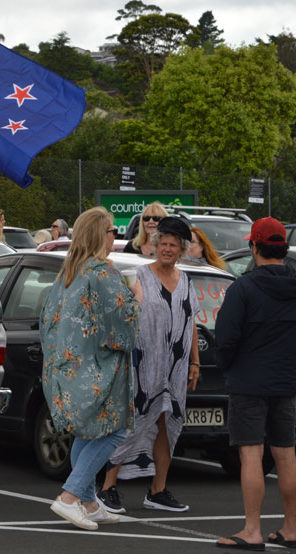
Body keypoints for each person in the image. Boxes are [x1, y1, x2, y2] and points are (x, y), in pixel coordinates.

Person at [214, 217, 296, 551]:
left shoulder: (243, 287)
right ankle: (290, 528)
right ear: (283, 247)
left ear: (254, 247)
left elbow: (225, 338)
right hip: (285, 380)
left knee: (252, 456)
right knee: (286, 455)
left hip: (248, 381)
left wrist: (228, 366)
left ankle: (252, 530)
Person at [41, 207, 142, 530]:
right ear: (101, 234)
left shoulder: (69, 272)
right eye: (113, 230)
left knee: (88, 433)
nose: (117, 236)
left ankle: (87, 502)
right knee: (117, 430)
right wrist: (136, 298)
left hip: (68, 369)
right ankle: (70, 496)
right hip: (101, 370)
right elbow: (121, 325)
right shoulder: (103, 273)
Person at [100, 216, 200, 514]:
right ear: (155, 245)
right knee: (131, 425)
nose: (167, 249)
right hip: (143, 367)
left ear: (182, 249)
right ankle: (107, 488)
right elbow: (120, 315)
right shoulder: (137, 277)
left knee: (168, 425)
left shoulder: (186, 281)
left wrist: (195, 361)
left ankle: (157, 490)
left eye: (173, 245)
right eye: (163, 243)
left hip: (176, 368)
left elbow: (192, 321)